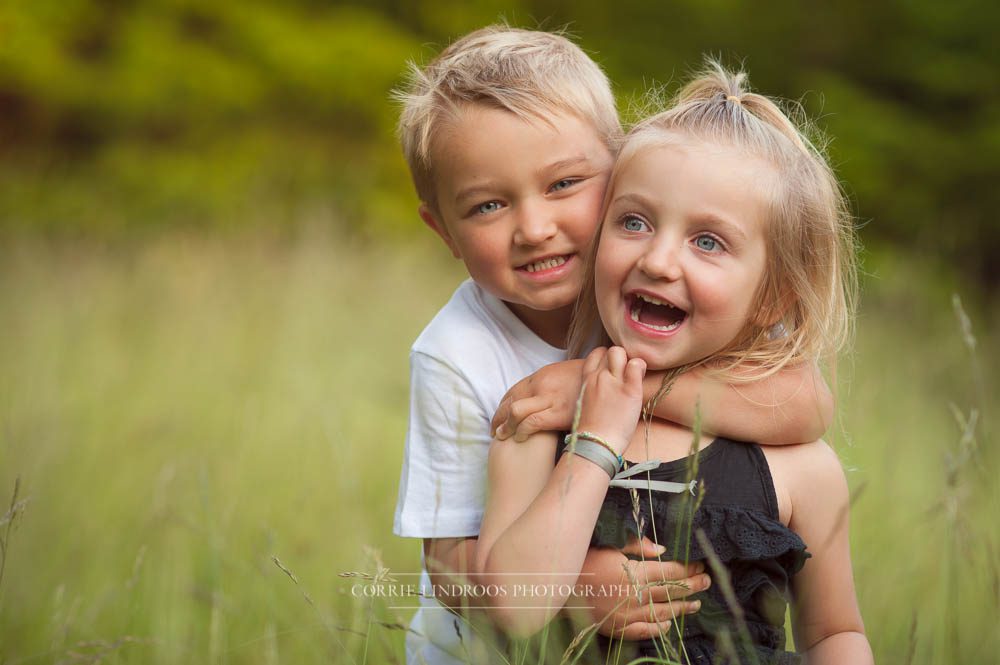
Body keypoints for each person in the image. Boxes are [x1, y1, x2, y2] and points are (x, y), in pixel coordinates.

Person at [392, 26, 834, 664]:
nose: (535, 228)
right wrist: (575, 588)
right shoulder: (457, 353)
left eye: (565, 184)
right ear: (444, 230)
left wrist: (603, 389)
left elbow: (806, 405)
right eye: (488, 206)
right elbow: (445, 565)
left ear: (622, 166)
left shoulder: (660, 295)